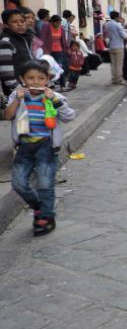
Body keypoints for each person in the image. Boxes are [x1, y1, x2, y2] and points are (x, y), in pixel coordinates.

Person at [4, 60, 75, 236]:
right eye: (30, 78)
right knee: (18, 183)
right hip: (24, 146)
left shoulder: (53, 97)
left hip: (46, 146)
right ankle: (38, 206)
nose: (35, 82)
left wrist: (55, 100)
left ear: (47, 80)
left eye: (40, 78)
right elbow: (8, 116)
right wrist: (17, 100)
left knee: (45, 183)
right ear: (22, 79)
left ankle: (46, 217)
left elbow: (69, 116)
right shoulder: (17, 96)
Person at [0, 9, 36, 98]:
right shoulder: (6, 42)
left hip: (29, 87)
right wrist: (18, 89)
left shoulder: (23, 39)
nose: (20, 24)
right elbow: (6, 73)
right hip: (17, 92)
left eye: (22, 21)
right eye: (14, 22)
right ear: (6, 25)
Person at [39, 15, 69, 92]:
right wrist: (44, 50)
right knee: (48, 68)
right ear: (52, 22)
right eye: (57, 22)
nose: (58, 24)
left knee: (59, 67)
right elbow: (43, 39)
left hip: (59, 51)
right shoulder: (47, 28)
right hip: (49, 51)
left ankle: (62, 85)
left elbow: (64, 41)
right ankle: (49, 84)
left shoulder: (61, 29)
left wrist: (66, 50)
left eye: (59, 22)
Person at [102, 11, 127, 85]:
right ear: (116, 17)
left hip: (111, 46)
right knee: (119, 64)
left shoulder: (106, 25)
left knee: (113, 64)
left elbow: (105, 35)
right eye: (119, 17)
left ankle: (114, 79)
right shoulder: (118, 25)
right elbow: (124, 36)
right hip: (119, 46)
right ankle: (119, 80)